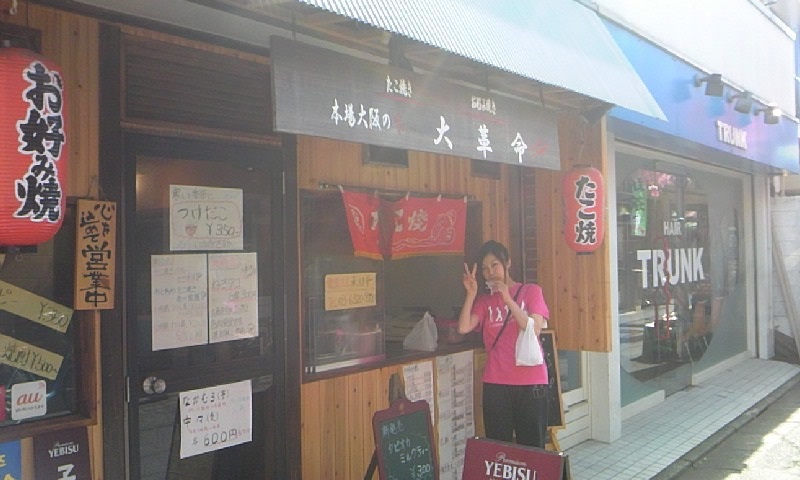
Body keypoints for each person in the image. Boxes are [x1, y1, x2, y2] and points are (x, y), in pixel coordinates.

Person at [458, 240, 550, 448]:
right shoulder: (484, 301)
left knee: (532, 449)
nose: (490, 272)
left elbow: (534, 328)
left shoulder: (531, 291)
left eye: (495, 265)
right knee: (499, 449)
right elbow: (463, 327)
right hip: (496, 382)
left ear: (507, 263)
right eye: (485, 268)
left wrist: (508, 299)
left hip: (531, 382)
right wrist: (471, 294)